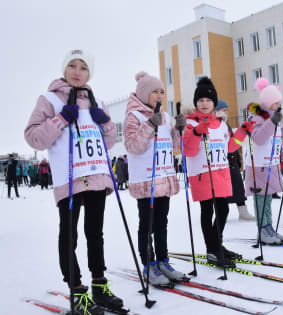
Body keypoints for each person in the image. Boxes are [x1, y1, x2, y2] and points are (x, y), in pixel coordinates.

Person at [24, 49, 123, 315]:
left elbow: (109, 142)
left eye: (83, 67)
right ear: (64, 68)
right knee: (69, 235)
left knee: (96, 233)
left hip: (96, 176)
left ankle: (99, 286)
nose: (77, 71)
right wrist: (60, 119)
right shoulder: (49, 99)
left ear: (89, 73)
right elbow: (33, 138)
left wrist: (107, 124)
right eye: (72, 65)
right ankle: (77, 290)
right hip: (69, 177)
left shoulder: (97, 101)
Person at [123, 71, 188, 286]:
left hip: (164, 177)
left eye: (162, 91)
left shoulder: (166, 116)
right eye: (155, 92)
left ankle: (163, 261)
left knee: (162, 224)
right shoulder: (134, 117)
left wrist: (179, 128)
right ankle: (148, 264)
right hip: (146, 180)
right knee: (147, 225)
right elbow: (133, 146)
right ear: (143, 94)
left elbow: (176, 147)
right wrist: (150, 124)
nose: (160, 95)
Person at [184, 77, 254, 267]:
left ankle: (217, 245)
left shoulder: (221, 123)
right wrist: (198, 132)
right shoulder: (190, 123)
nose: (204, 104)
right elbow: (188, 150)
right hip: (201, 173)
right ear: (196, 103)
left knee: (223, 209)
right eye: (200, 101)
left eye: (208, 100)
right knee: (207, 210)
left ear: (214, 102)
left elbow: (230, 147)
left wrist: (242, 132)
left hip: (220, 172)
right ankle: (212, 250)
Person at [244, 78, 283, 242]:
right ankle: (262, 229)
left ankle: (269, 227)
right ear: (268, 102)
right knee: (261, 198)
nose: (278, 106)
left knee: (269, 197)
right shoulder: (257, 117)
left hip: (270, 163)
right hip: (258, 166)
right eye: (276, 102)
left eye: (279, 102)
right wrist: (271, 122)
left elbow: (279, 136)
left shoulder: (272, 117)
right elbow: (258, 138)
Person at [215, 100, 255, 221]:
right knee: (222, 190)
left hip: (232, 160)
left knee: (238, 187)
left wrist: (236, 157)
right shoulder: (216, 124)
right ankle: (220, 213)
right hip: (221, 161)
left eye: (226, 110)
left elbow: (233, 141)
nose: (225, 112)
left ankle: (243, 212)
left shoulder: (225, 123)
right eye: (223, 110)